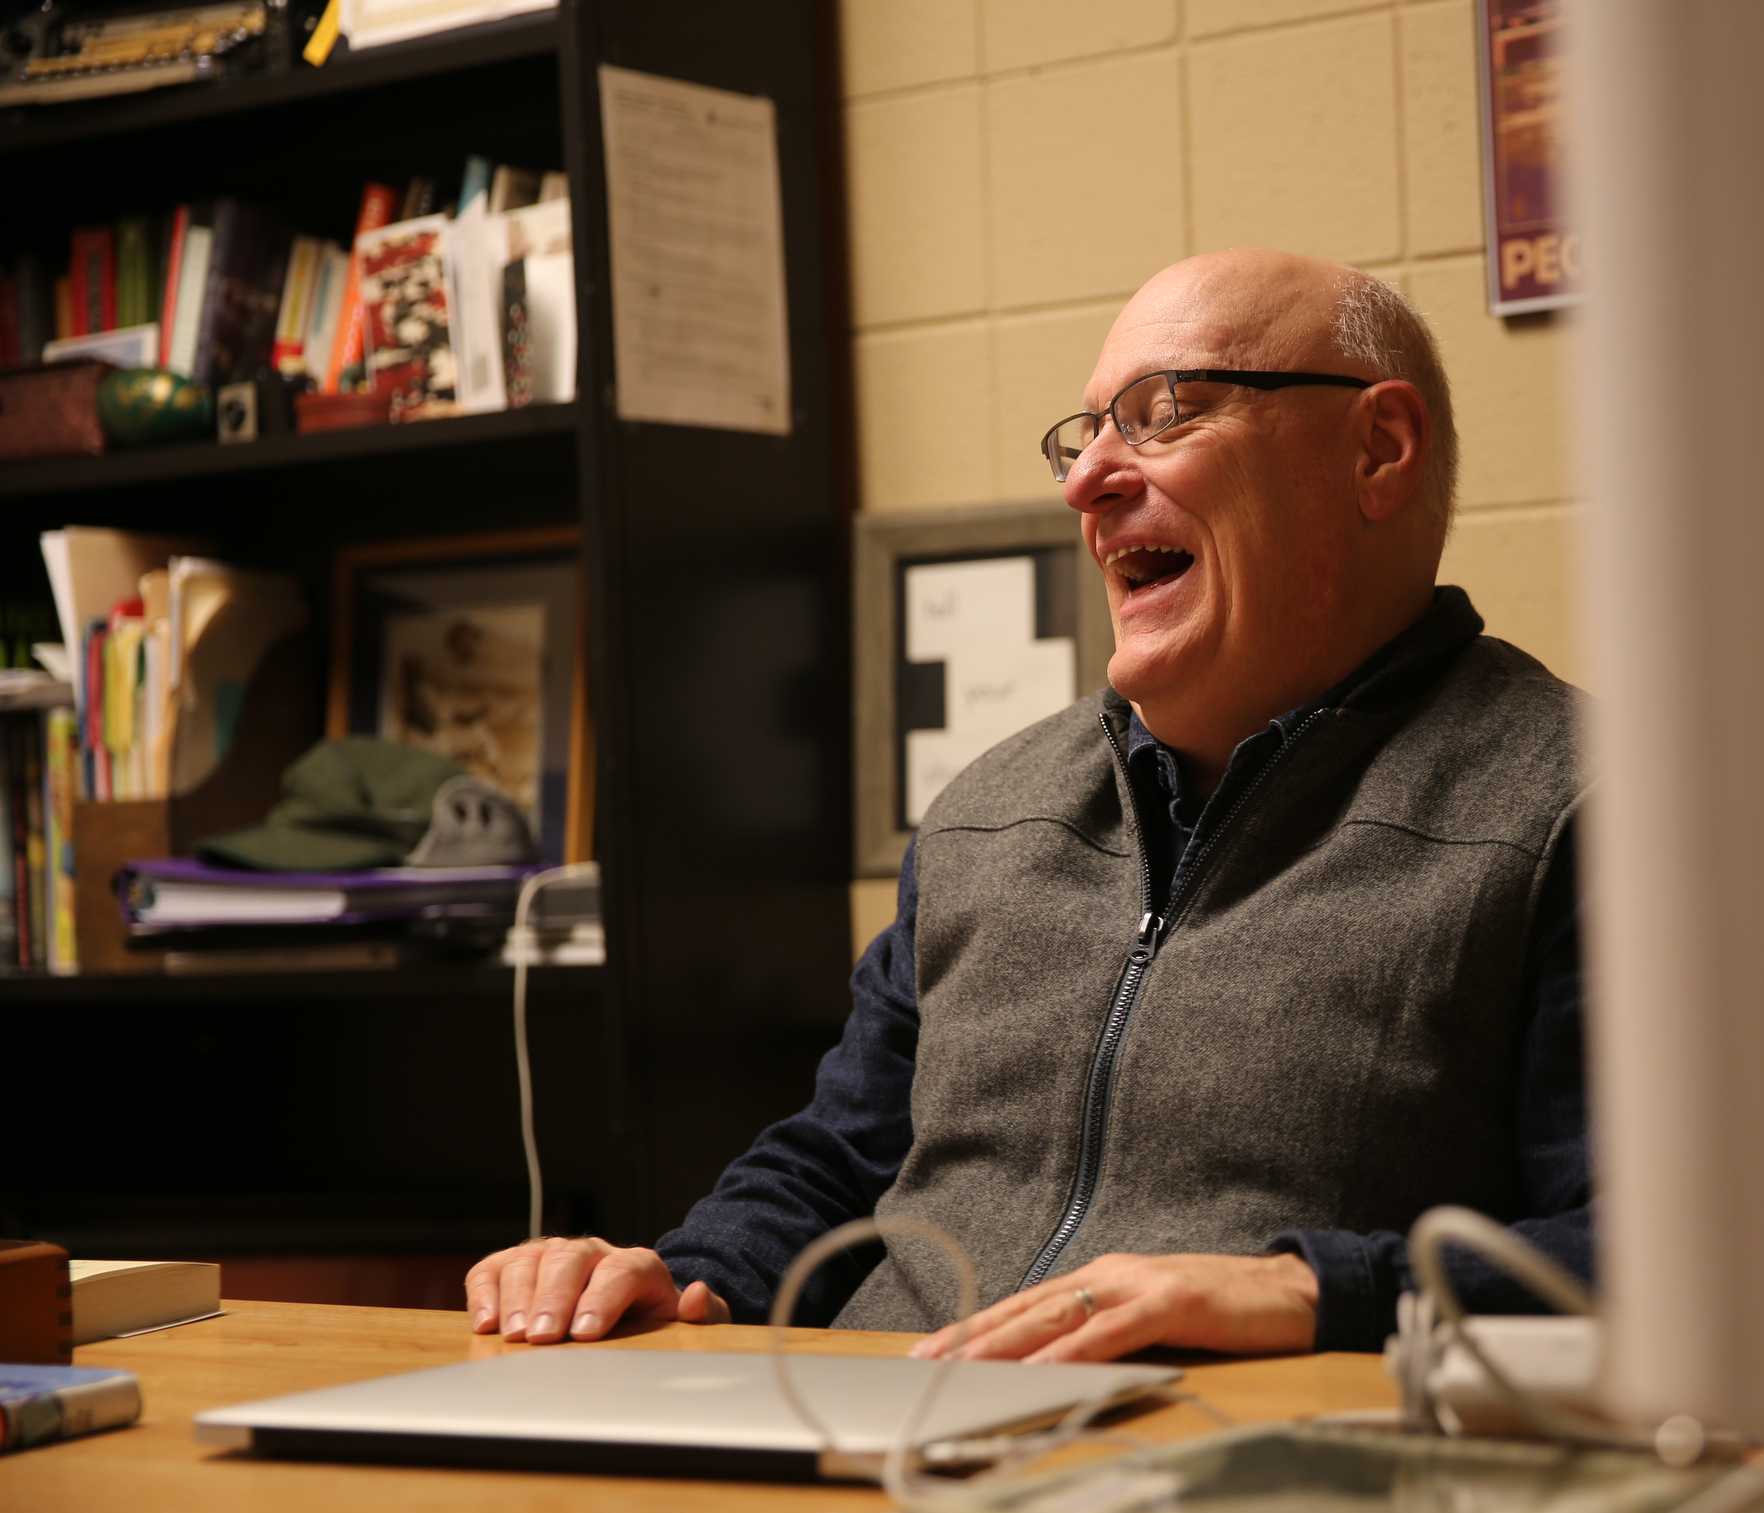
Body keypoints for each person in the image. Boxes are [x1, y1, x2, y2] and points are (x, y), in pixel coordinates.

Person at [466, 249, 1592, 1361]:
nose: (1085, 480)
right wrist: (683, 1275)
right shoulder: (988, 811)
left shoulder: (1577, 805)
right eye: (1087, 430)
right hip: (878, 1438)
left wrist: (1312, 1292)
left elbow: (1650, 1252)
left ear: (1378, 450)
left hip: (1235, 1475)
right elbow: (842, 1159)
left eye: (1162, 413)